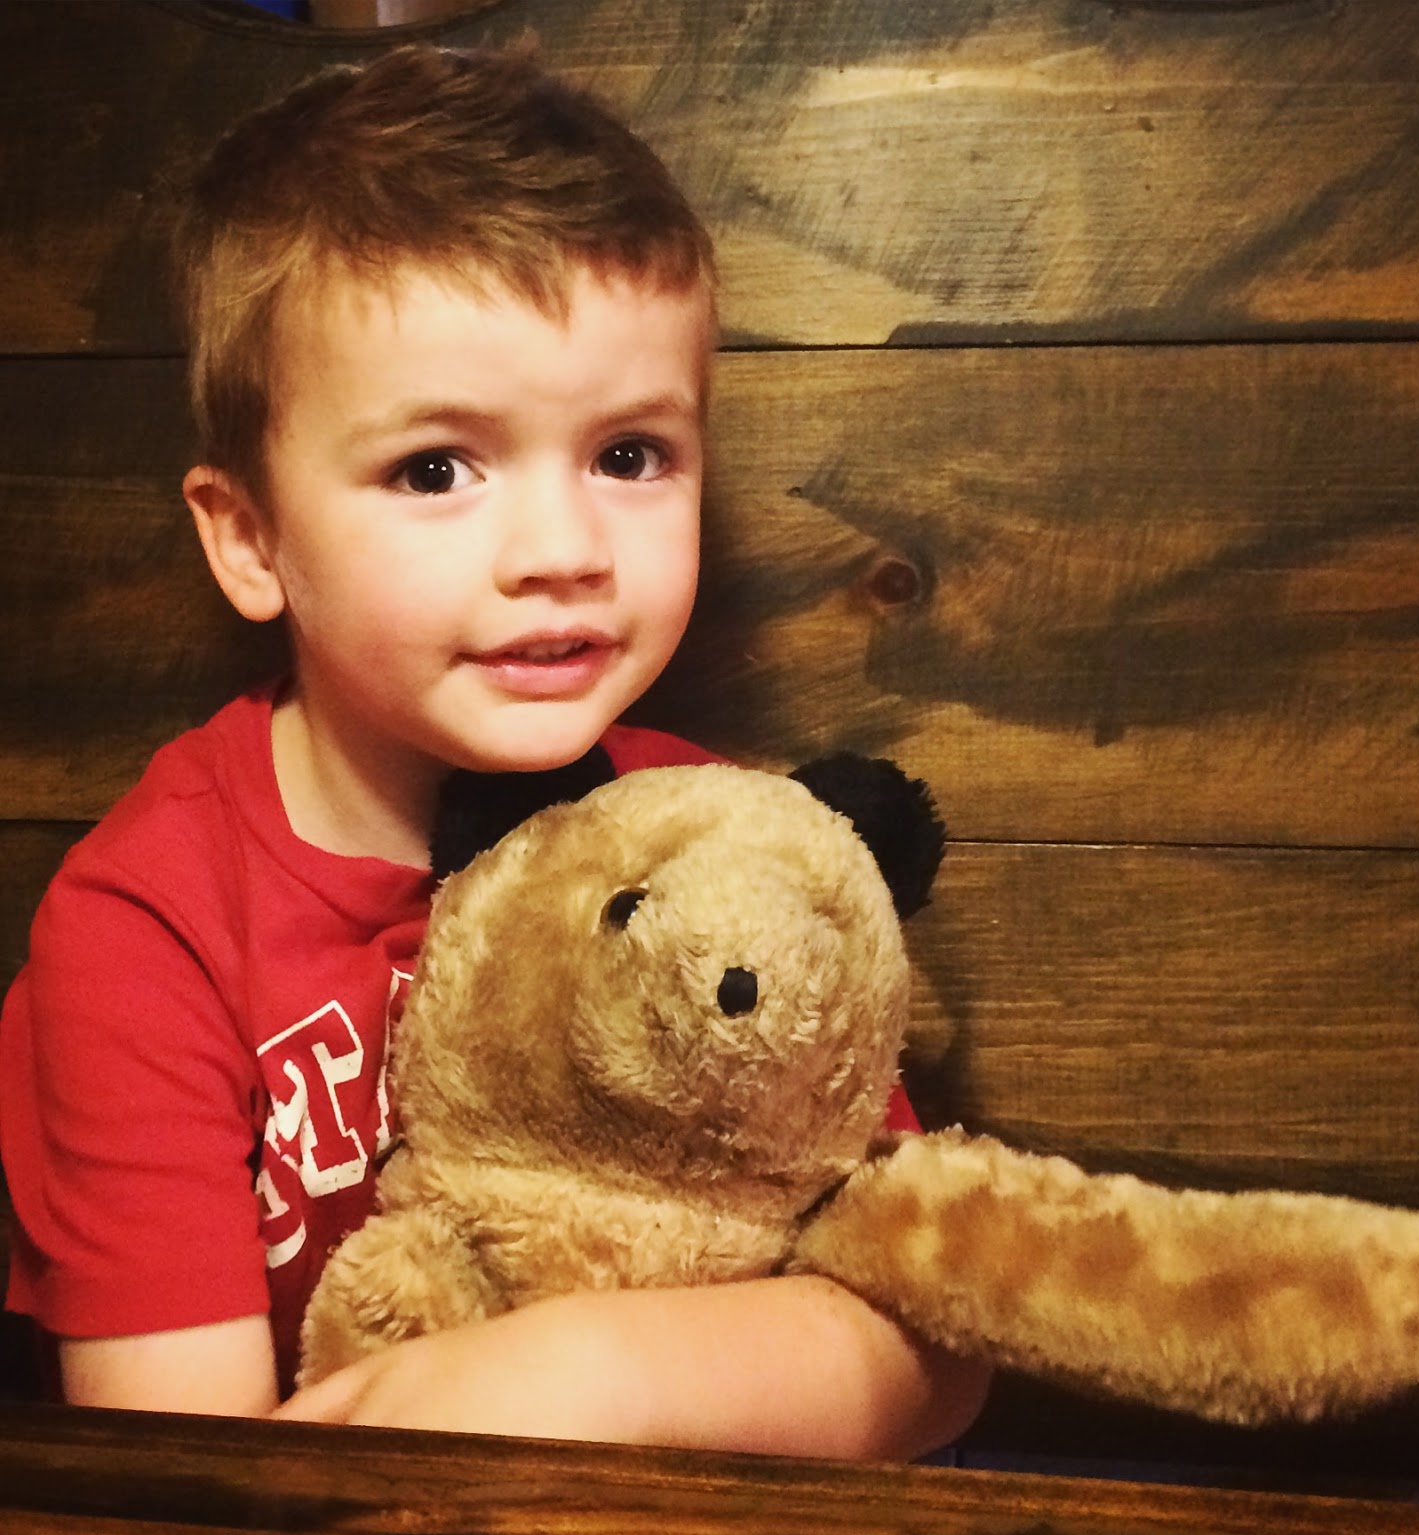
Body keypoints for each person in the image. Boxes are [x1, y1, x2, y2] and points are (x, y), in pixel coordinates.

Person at [0, 40, 989, 1457]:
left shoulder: (717, 834)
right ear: (253, 537)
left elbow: (940, 1338)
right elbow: (186, 1494)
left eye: (629, 456)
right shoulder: (144, 933)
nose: (563, 550)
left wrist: (594, 1376)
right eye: (436, 469)